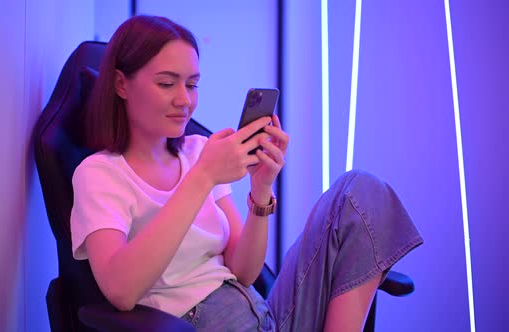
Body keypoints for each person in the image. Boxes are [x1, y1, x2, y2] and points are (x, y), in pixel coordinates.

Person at [70, 15, 423, 332]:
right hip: (200, 325)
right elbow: (121, 291)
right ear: (121, 85)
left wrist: (261, 188)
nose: (185, 100)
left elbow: (245, 271)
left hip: (263, 316)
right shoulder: (100, 174)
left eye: (191, 85)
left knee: (361, 190)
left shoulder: (197, 151)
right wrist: (203, 178)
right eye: (167, 84)